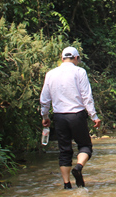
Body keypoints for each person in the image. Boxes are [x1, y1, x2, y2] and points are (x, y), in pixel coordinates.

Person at [40, 46, 101, 189]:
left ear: (62, 59)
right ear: (76, 58)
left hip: (59, 116)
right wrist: (94, 116)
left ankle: (67, 184)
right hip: (77, 115)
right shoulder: (80, 72)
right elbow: (86, 96)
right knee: (85, 146)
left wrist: (45, 116)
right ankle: (78, 167)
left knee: (64, 150)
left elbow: (44, 99)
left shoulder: (50, 74)